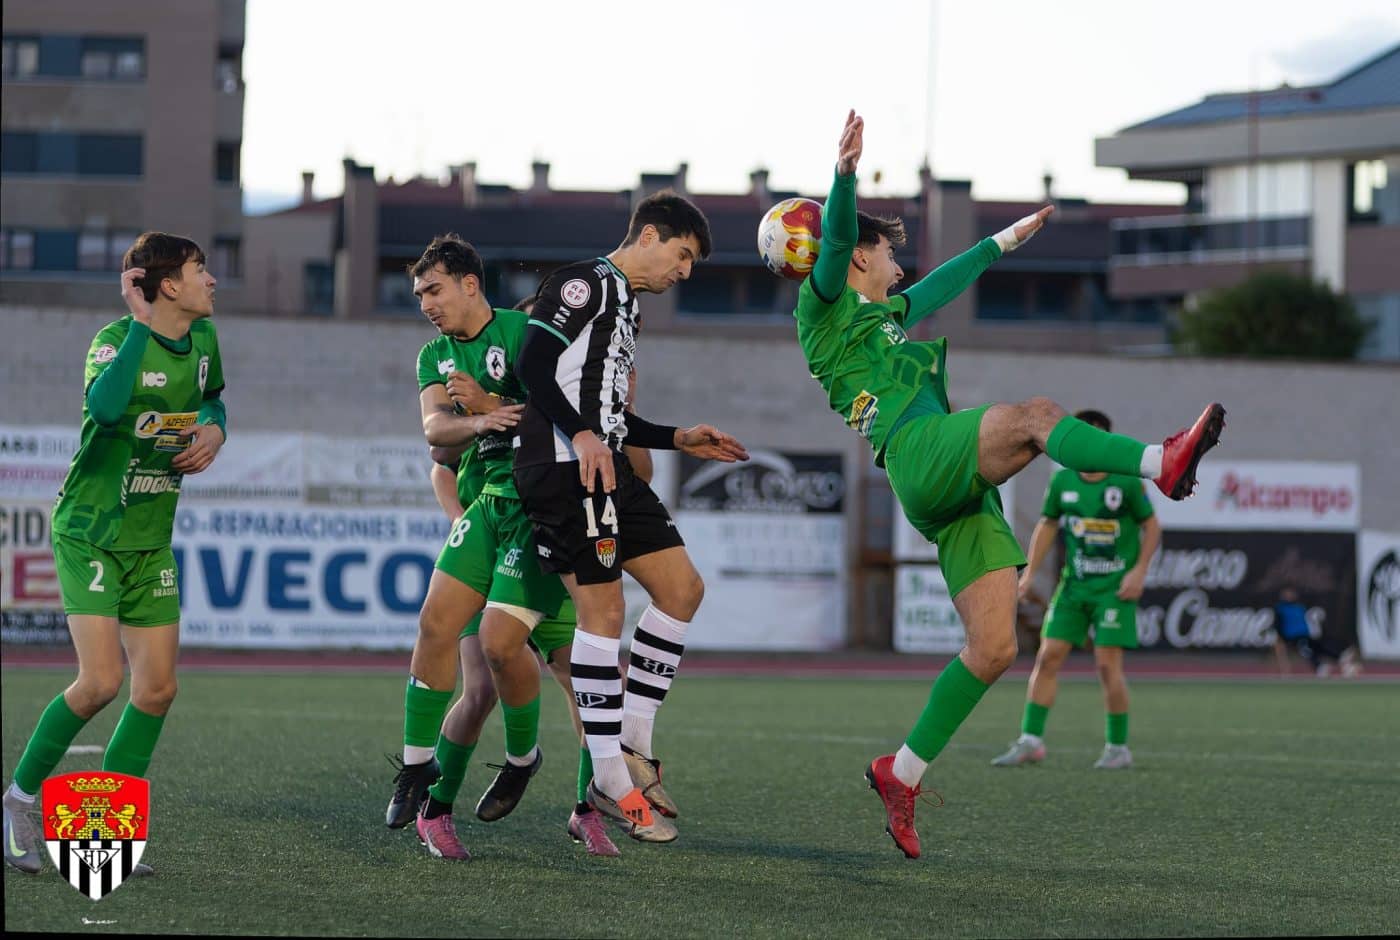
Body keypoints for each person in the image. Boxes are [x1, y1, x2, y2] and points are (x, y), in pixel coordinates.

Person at [793, 111, 1225, 859]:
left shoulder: (886, 314)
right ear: (861, 257)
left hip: (942, 488)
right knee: (1036, 417)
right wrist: (843, 175)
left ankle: (901, 771)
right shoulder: (824, 306)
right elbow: (833, 243)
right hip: (920, 450)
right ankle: (1165, 462)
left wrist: (1006, 240)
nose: (900, 265)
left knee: (994, 648)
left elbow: (944, 284)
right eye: (890, 253)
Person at [513, 192, 749, 843]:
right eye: (683, 255)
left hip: (603, 462)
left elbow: (610, 413)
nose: (686, 271)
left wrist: (678, 437)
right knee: (604, 615)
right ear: (649, 235)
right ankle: (611, 775)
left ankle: (634, 744)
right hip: (565, 467)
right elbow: (534, 363)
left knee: (682, 589)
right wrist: (583, 435)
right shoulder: (584, 282)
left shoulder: (628, 304)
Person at [3, 233, 227, 876]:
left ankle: (101, 835)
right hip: (91, 532)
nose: (211, 281)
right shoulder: (112, 340)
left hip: (150, 537)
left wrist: (215, 429)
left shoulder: (206, 340)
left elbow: (214, 397)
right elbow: (103, 410)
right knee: (101, 681)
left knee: (156, 689)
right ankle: (18, 802)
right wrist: (137, 325)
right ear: (165, 286)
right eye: (198, 270)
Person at [385, 236, 569, 851]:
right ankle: (419, 774)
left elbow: (564, 415)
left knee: (572, 674)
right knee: (440, 628)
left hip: (541, 514)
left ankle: (571, 786)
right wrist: (478, 422)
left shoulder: (527, 333)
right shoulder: (432, 355)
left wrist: (494, 407)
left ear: (470, 283)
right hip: (490, 507)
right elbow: (436, 433)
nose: (425, 304)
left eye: (433, 290)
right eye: (417, 295)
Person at [991, 409, 1161, 770]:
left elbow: (1153, 527)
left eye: (1095, 438)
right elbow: (1048, 527)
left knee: (1105, 665)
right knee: (1047, 656)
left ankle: (1118, 747)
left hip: (1114, 589)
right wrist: (1030, 574)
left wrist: (1139, 571)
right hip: (1074, 587)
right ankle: (1030, 741)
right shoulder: (1064, 482)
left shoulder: (1126, 481)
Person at [1271, 588, 1359, 677]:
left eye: (1291, 593)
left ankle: (1341, 658)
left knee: (1318, 648)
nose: (1290, 596)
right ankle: (1320, 667)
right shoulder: (1280, 609)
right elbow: (1278, 625)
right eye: (1287, 594)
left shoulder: (1299, 607)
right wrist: (1280, 638)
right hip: (1293, 637)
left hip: (1306, 634)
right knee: (1307, 651)